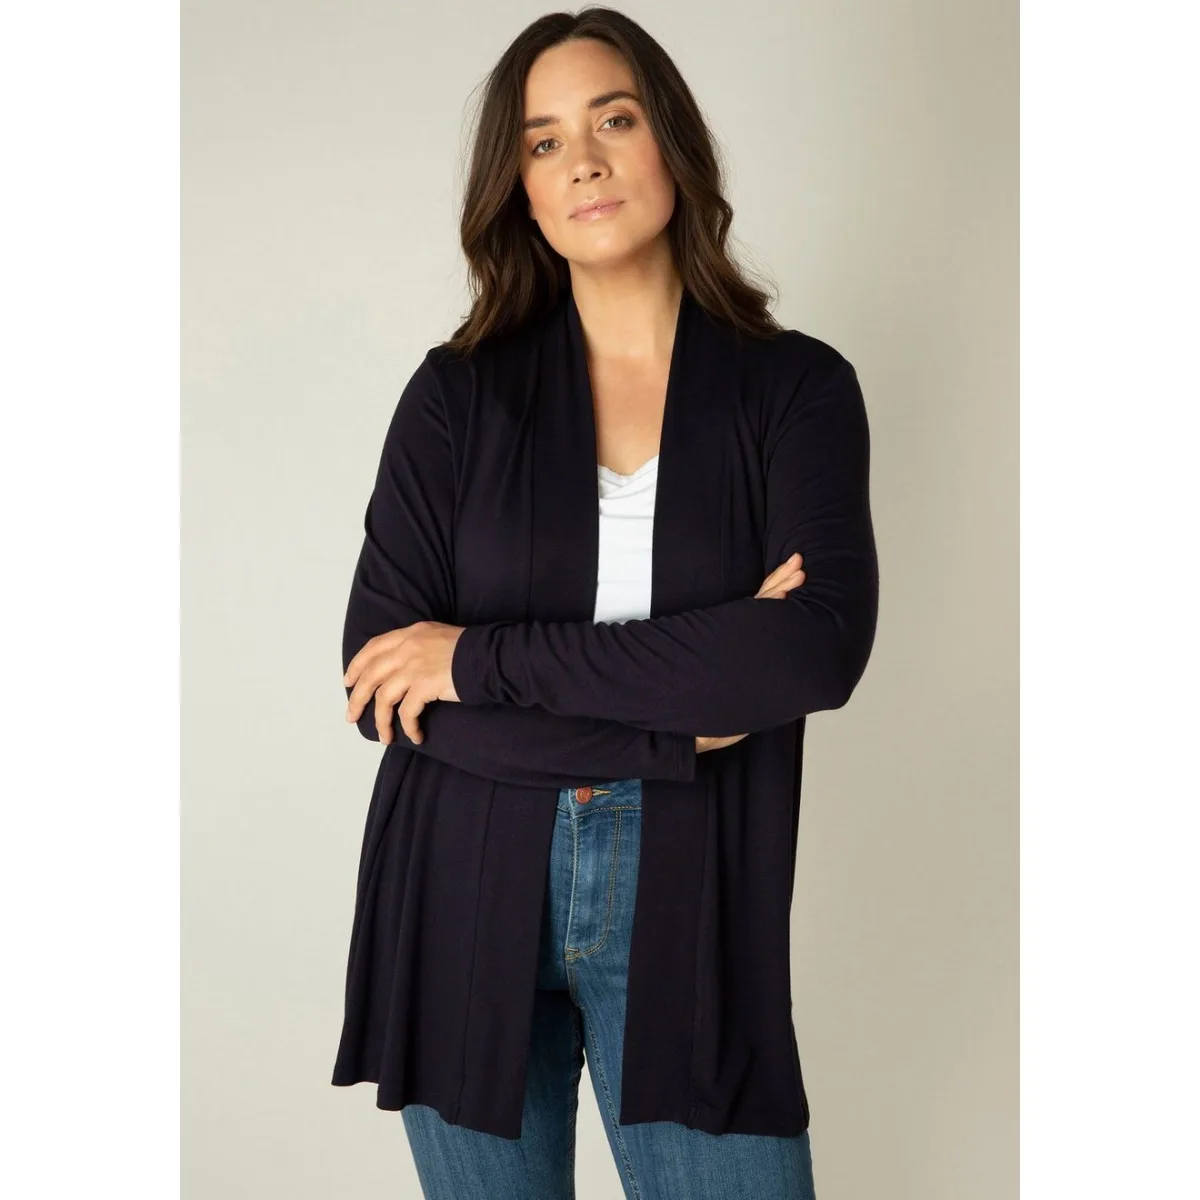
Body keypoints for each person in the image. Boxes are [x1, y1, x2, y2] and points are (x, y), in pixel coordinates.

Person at [334, 8, 879, 1199]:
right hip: (459, 881)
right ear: (521, 191)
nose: (581, 161)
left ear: (670, 144)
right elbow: (381, 687)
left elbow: (810, 654)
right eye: (543, 142)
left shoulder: (795, 391)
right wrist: (674, 721)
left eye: (613, 120)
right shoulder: (456, 397)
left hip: (690, 887)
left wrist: (473, 661)